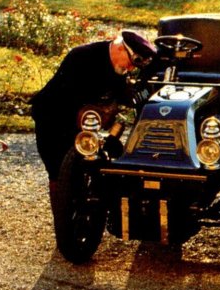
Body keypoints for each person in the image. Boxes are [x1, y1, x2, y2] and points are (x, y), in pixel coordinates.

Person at [29, 30, 158, 211]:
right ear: (121, 49)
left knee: (110, 155)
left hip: (84, 119)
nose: (130, 69)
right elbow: (69, 99)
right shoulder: (82, 57)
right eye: (131, 63)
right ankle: (64, 223)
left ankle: (96, 210)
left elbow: (128, 98)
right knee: (59, 172)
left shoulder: (118, 70)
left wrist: (146, 92)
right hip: (53, 117)